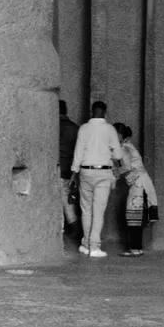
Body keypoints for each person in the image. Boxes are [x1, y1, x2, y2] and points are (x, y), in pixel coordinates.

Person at [69, 100, 121, 258]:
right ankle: (95, 246)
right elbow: (118, 155)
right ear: (105, 112)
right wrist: (109, 154)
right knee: (98, 211)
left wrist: (74, 172)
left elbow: (78, 152)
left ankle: (85, 244)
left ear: (92, 112)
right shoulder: (110, 129)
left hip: (85, 172)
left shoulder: (84, 128)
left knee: (86, 210)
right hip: (103, 173)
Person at [112, 123, 159, 256]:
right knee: (135, 217)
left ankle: (135, 249)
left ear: (120, 135)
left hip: (138, 183)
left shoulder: (125, 147)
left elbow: (126, 166)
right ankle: (136, 248)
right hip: (139, 182)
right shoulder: (127, 146)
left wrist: (115, 172)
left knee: (133, 216)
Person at [58, 99, 80, 237]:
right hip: (70, 169)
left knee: (62, 199)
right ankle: (73, 223)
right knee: (66, 197)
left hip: (57, 168)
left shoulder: (52, 127)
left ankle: (73, 224)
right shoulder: (75, 128)